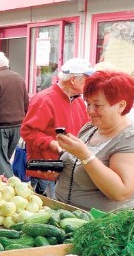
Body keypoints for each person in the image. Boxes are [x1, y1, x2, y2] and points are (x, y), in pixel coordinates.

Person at [53, 70, 134, 211]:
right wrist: (60, 169)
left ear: (121, 106)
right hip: (65, 218)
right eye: (87, 103)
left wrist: (84, 155)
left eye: (97, 105)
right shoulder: (90, 129)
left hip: (99, 226)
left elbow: (120, 192)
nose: (90, 110)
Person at [20, 58, 93, 197]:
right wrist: (51, 143)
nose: (89, 83)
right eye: (86, 79)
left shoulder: (79, 102)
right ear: (73, 79)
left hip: (70, 169)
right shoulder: (44, 99)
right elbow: (27, 131)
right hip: (47, 172)